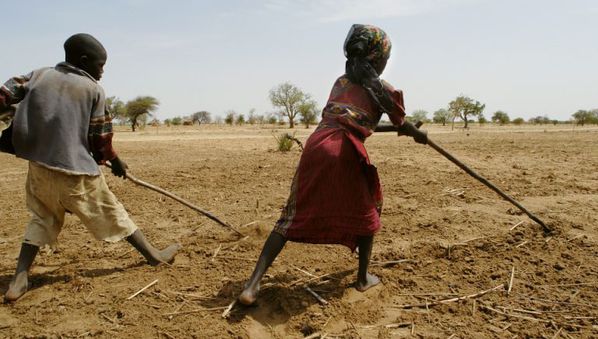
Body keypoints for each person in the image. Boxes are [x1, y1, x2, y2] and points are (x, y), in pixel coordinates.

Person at [238, 24, 427, 306]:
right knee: (370, 208)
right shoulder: (386, 92)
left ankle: (252, 286)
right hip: (346, 150)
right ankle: (363, 278)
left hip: (317, 145)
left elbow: (349, 119)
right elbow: (399, 123)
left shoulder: (340, 82)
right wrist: (415, 133)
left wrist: (394, 129)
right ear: (380, 60)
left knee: (289, 216)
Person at [0, 33, 181, 302]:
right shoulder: (93, 90)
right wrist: (115, 160)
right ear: (84, 61)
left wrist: (18, 119)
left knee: (42, 217)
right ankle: (153, 255)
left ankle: (20, 277)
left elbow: (4, 96)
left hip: (39, 168)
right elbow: (100, 137)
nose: (103, 71)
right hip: (77, 172)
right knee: (112, 212)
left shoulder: (37, 76)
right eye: (101, 65)